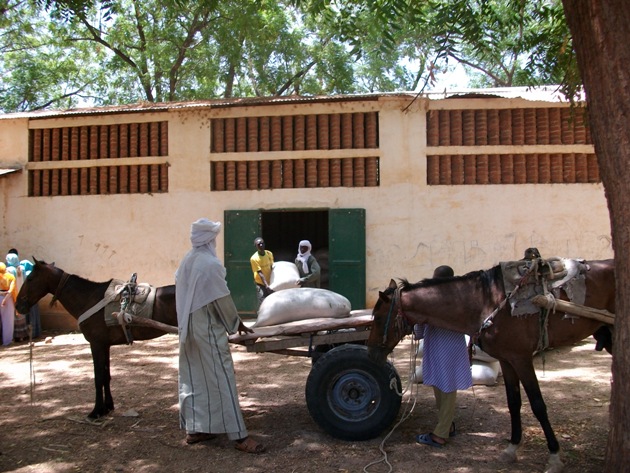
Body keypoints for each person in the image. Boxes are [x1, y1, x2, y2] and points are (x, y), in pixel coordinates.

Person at [175, 218, 265, 453]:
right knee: (221, 376)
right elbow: (221, 299)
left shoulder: (188, 260)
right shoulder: (210, 264)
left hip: (188, 325)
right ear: (210, 239)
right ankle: (239, 436)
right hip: (206, 326)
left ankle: (196, 429)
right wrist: (236, 324)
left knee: (194, 377)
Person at [414, 265, 473, 448]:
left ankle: (440, 435)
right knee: (440, 386)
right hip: (446, 347)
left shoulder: (436, 300)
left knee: (446, 388)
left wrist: (417, 325)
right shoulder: (459, 299)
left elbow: (420, 329)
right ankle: (447, 425)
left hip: (445, 348)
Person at [250, 237, 274, 308]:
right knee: (263, 303)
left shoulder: (269, 254)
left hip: (271, 283)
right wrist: (266, 286)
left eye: (262, 243)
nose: (261, 245)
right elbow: (260, 273)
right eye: (258, 244)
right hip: (261, 284)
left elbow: (272, 267)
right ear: (255, 246)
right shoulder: (254, 258)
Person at [0, 262, 17, 346]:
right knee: (8, 321)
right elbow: (11, 290)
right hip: (8, 299)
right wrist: (5, 300)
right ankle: (7, 341)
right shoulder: (10, 277)